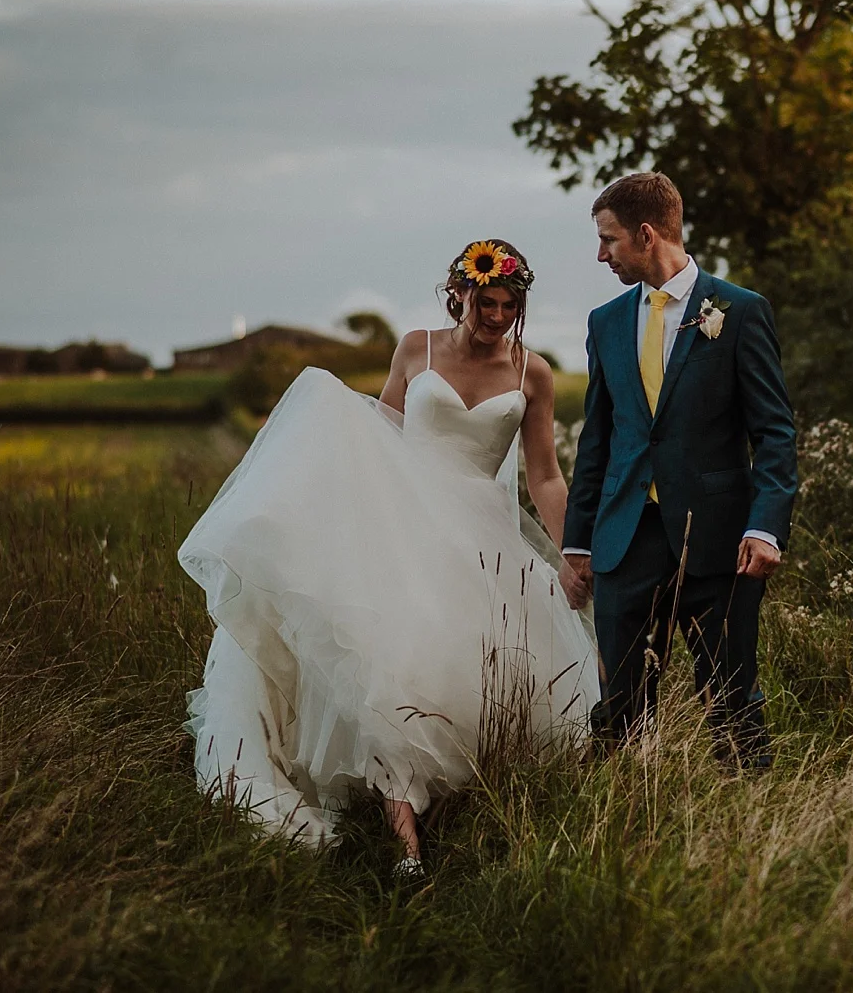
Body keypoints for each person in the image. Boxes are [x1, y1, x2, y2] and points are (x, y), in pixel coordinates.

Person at [181, 239, 599, 875]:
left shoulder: (530, 372)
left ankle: (473, 796)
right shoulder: (416, 349)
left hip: (482, 541)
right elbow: (379, 438)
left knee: (472, 671)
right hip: (404, 530)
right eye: (486, 302)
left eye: (510, 305)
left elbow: (543, 477)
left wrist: (573, 552)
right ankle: (406, 845)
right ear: (458, 293)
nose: (497, 317)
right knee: (388, 665)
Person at [557, 173, 797, 766]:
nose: (600, 254)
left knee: (732, 695)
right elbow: (599, 439)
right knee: (619, 705)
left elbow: (774, 431)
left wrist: (766, 526)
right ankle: (622, 829)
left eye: (609, 240)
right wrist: (579, 542)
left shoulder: (738, 311)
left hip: (716, 537)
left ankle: (754, 816)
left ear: (645, 235)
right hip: (625, 537)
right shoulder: (606, 322)